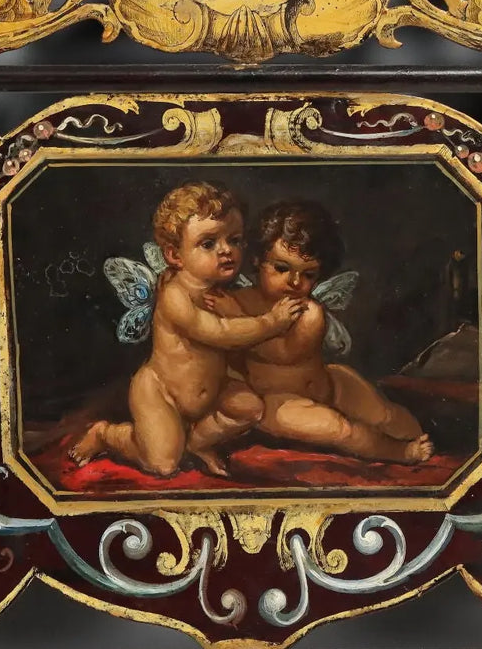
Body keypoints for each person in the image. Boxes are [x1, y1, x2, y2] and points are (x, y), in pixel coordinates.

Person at [70, 182, 305, 477]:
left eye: (234, 240)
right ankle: (107, 434)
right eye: (208, 243)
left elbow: (238, 332)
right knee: (163, 464)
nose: (226, 250)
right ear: (175, 255)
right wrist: (272, 322)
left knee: (250, 408)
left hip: (211, 391)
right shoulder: (175, 296)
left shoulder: (220, 292)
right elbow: (220, 332)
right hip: (163, 392)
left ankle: (197, 443)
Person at [213, 200, 434, 464]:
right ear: (257, 260)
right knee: (340, 429)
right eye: (281, 268)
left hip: (330, 385)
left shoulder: (309, 312)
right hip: (276, 402)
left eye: (308, 275)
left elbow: (284, 354)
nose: (294, 282)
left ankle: (420, 439)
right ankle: (400, 453)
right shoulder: (236, 302)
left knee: (385, 414)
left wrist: (246, 320)